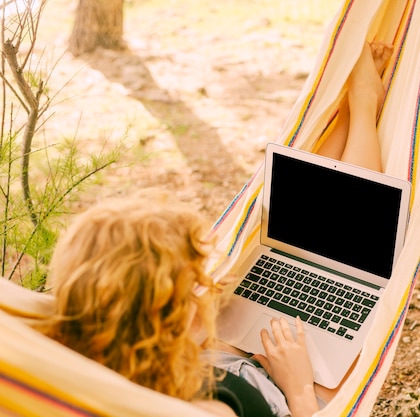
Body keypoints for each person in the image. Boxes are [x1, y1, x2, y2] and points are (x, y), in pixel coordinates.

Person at [40, 40, 392, 417]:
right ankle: (363, 107)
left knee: (295, 245)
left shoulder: (96, 356)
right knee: (338, 344)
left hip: (208, 363)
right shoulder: (213, 409)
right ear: (157, 317)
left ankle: (347, 116)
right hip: (281, 392)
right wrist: (300, 389)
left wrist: (194, 329)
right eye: (190, 285)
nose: (203, 290)